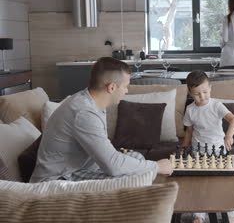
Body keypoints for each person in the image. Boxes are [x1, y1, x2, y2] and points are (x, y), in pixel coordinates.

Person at [30, 57, 173, 183]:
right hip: (59, 178)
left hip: (79, 169)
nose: (126, 91)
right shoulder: (84, 112)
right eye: (125, 86)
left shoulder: (93, 103)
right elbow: (113, 166)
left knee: (136, 158)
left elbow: (106, 157)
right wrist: (157, 166)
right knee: (131, 176)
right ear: (111, 87)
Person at [182, 70, 234, 223]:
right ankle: (199, 216)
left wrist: (228, 136)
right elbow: (188, 131)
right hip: (197, 152)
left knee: (224, 185)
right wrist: (184, 149)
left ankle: (231, 216)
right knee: (199, 185)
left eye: (205, 92)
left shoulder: (216, 105)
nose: (202, 97)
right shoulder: (190, 109)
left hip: (218, 151)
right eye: (197, 94)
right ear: (189, 92)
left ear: (210, 87)